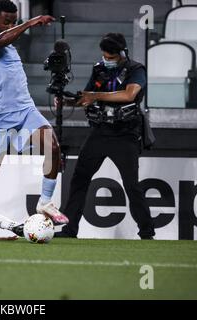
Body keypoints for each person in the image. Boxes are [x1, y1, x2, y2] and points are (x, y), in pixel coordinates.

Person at [0, 0, 69, 225]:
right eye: (6, 21)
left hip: (25, 110)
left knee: (53, 147)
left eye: (13, 22)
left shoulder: (11, 48)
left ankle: (45, 202)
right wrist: (30, 23)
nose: (9, 26)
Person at [57, 33, 155, 240]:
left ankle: (147, 232)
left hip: (125, 134)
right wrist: (67, 102)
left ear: (122, 53)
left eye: (111, 57)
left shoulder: (136, 69)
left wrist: (96, 96)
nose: (106, 60)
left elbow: (129, 95)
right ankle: (69, 230)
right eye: (104, 56)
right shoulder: (99, 69)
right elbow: (87, 98)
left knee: (131, 184)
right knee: (79, 179)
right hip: (100, 132)